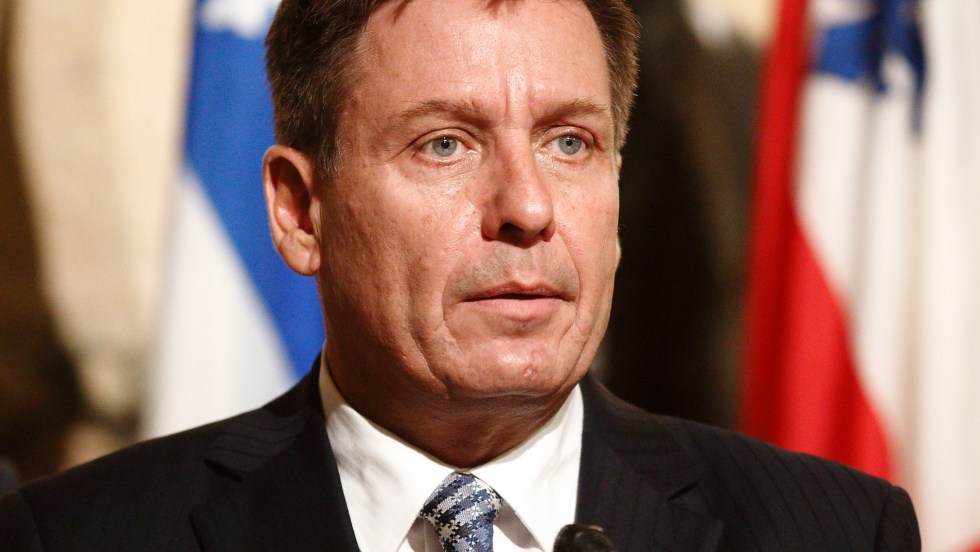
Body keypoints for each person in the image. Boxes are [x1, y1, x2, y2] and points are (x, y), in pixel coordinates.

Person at [0, 1, 919, 550]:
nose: (528, 206)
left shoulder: (834, 532)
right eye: (446, 144)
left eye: (570, 142)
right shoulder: (81, 536)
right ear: (300, 211)